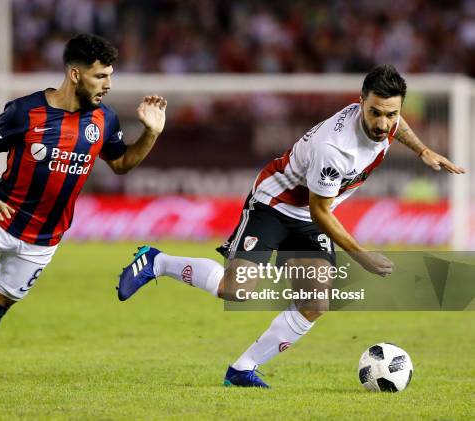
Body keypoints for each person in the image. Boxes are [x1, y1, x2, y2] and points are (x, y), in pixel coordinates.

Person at [116, 65, 465, 388]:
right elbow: (320, 212)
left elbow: (397, 124)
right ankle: (156, 261)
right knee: (236, 290)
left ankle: (242, 369)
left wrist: (422, 151)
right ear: (361, 104)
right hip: (275, 203)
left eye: (391, 114)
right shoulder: (336, 148)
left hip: (311, 213)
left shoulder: (386, 120)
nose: (383, 123)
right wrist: (363, 257)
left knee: (316, 302)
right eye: (375, 112)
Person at [0, 33, 167, 381]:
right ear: (74, 75)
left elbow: (122, 164)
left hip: (44, 238)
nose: (108, 84)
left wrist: (151, 134)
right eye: (100, 76)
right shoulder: (25, 111)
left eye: (110, 75)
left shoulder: (104, 120)